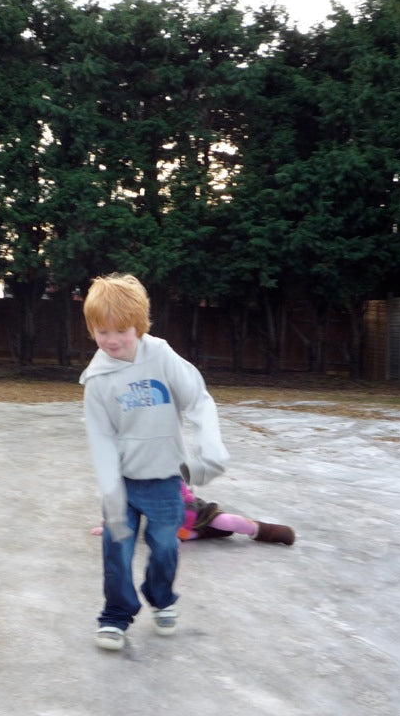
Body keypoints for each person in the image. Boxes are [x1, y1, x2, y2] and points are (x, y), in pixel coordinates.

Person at [79, 273, 228, 652]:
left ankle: (161, 598)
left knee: (165, 547)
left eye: (122, 331)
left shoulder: (161, 355)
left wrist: (210, 450)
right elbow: (101, 439)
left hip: (163, 480)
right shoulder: (97, 381)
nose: (112, 340)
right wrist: (111, 494)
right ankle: (115, 615)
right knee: (117, 550)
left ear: (140, 325)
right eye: (102, 332)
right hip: (123, 482)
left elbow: (198, 399)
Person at [90, 478, 296, 545]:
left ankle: (264, 530)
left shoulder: (171, 479)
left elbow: (188, 506)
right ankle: (206, 534)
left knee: (228, 523)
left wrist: (181, 533)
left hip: (197, 514)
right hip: (173, 523)